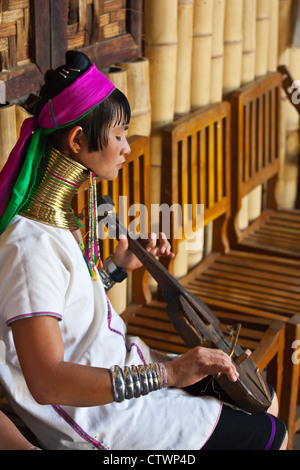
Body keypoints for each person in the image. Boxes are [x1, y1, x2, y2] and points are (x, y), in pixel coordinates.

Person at [0, 50, 287, 450]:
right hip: (103, 419)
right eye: (118, 135)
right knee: (271, 436)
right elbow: (47, 381)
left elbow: (65, 311)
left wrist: (117, 268)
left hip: (122, 367)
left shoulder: (56, 220)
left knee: (263, 402)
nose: (126, 148)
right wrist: (168, 375)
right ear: (79, 140)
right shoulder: (28, 245)